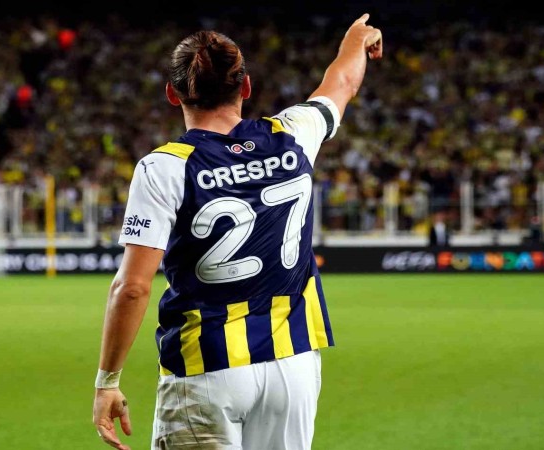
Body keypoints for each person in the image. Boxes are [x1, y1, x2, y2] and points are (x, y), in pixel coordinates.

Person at [92, 14, 383, 450]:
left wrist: (107, 380)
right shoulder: (293, 133)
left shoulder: (164, 167)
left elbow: (132, 287)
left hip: (205, 366)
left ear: (172, 93)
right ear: (245, 87)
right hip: (293, 363)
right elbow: (342, 82)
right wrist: (356, 40)